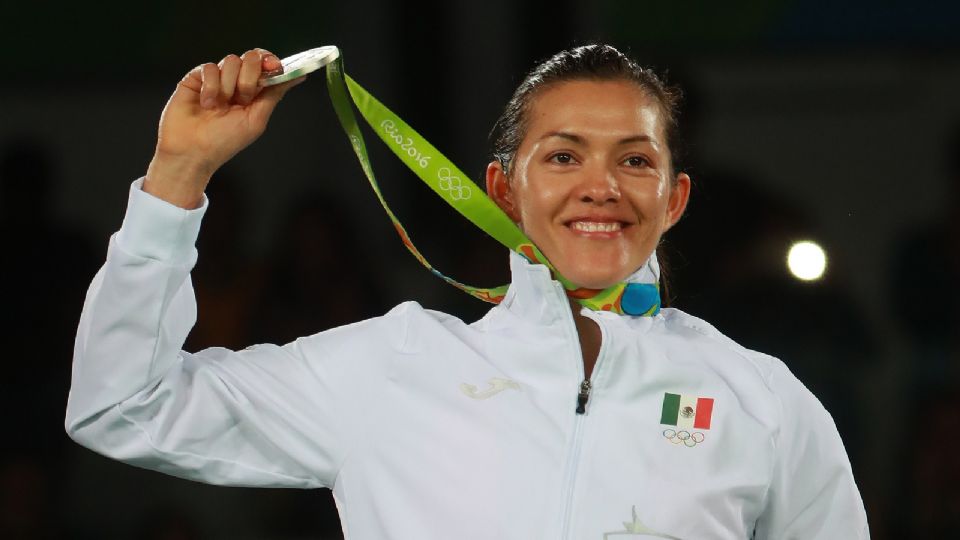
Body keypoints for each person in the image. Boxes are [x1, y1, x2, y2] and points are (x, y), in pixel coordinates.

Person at [65, 44, 869, 539]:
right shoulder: (393, 368)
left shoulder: (761, 400)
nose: (600, 187)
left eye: (634, 159)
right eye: (562, 157)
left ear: (674, 199)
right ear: (502, 190)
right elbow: (119, 405)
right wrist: (179, 174)